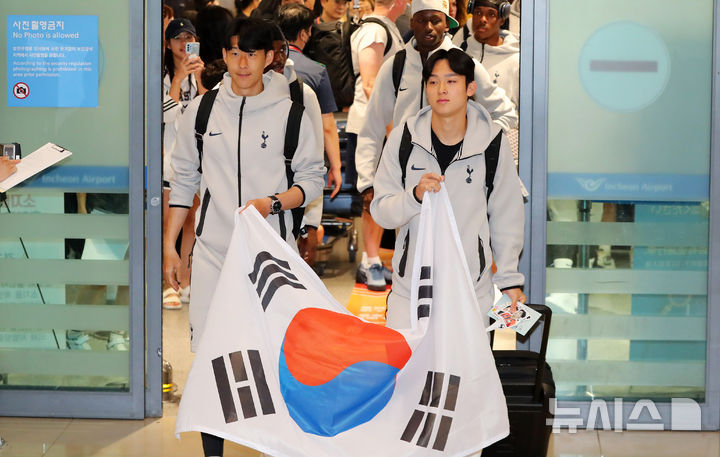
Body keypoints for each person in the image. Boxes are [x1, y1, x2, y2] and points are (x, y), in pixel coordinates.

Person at [165, 17, 324, 457]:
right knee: (212, 357)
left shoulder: (292, 109)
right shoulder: (202, 111)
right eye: (233, 53)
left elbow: (311, 179)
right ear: (224, 54)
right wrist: (172, 247)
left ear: (269, 57)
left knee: (273, 355)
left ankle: (276, 445)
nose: (241, 63)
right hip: (214, 253)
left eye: (250, 54)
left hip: (270, 255)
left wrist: (272, 203)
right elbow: (183, 180)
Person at [355, 0, 517, 290]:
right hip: (408, 182)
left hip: (459, 179)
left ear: (447, 24)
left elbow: (505, 112)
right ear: (412, 22)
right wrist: (367, 181)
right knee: (411, 256)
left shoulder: (463, 64)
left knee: (462, 258)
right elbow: (372, 127)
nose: (429, 27)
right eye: (422, 20)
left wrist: (483, 143)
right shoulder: (396, 66)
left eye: (435, 20)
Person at [370, 48, 525, 333]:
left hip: (470, 289)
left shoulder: (492, 142)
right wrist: (414, 197)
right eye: (433, 81)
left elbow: (507, 216)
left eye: (451, 81)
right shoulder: (404, 138)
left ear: (470, 88)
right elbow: (381, 211)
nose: (441, 89)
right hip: (410, 290)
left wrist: (509, 280)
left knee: (465, 364)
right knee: (407, 362)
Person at [345, 0, 405, 289]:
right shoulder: (374, 30)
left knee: (384, 193)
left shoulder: (385, 28)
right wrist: (391, 132)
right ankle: (370, 262)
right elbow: (370, 84)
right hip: (372, 129)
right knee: (372, 193)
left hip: (383, 127)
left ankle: (373, 260)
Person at [265, 22, 329, 267]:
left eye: (283, 50)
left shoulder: (303, 94)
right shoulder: (231, 95)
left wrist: (310, 225)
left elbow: (314, 164)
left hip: (291, 206)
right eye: (272, 51)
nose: (279, 58)